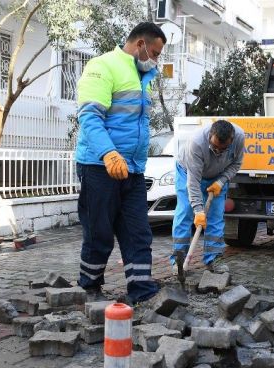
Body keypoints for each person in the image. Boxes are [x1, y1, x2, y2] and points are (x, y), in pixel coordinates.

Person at [74, 22, 167, 304]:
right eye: (154, 52)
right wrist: (108, 153)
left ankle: (142, 290)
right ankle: (89, 287)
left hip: (134, 170)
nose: (156, 59)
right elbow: (90, 117)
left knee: (138, 231)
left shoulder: (144, 76)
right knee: (99, 230)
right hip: (100, 166)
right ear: (139, 44)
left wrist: (131, 161)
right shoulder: (103, 66)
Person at [171, 120, 245, 276]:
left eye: (222, 149)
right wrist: (198, 210)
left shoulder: (239, 137)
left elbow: (236, 164)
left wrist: (221, 181)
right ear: (210, 135)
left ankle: (213, 258)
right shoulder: (196, 143)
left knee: (216, 216)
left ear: (231, 141)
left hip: (218, 177)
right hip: (187, 173)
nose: (218, 151)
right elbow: (193, 182)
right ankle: (179, 260)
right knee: (185, 212)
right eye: (215, 147)